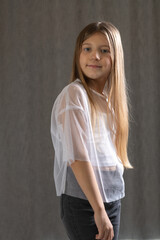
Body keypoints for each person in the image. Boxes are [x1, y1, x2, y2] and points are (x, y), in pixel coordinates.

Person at [50, 21, 133, 240]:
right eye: (87, 49)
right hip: (85, 203)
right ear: (78, 54)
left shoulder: (109, 100)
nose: (94, 56)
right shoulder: (74, 95)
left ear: (115, 57)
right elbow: (77, 157)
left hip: (111, 199)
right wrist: (98, 210)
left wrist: (106, 208)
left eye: (103, 50)